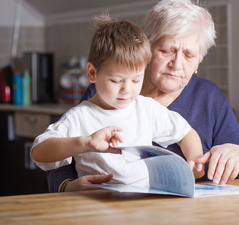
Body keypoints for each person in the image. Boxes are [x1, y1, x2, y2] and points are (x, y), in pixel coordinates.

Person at [47, 0, 239, 193]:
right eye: (166, 50)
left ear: (199, 61)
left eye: (189, 55)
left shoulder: (209, 97)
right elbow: (63, 158)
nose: (176, 64)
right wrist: (67, 186)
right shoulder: (106, 91)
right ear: (146, 49)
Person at [31, 15, 205, 190]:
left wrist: (194, 160)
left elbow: (186, 133)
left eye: (136, 80)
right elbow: (38, 152)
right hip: (98, 206)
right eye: (115, 81)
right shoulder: (80, 116)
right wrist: (84, 143)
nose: (127, 90)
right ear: (92, 73)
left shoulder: (146, 108)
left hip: (143, 206)